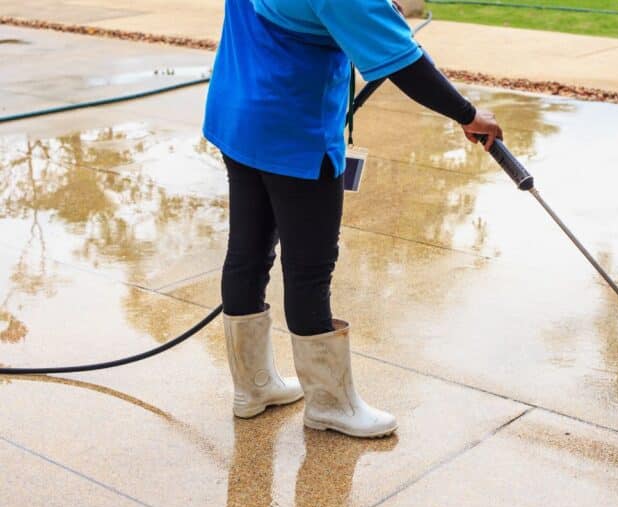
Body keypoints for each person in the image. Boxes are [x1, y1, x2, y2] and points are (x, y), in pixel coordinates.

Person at [203, 0, 503, 438]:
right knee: (309, 270)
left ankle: (253, 389)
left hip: (237, 115)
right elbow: (404, 61)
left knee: (247, 253)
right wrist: (468, 114)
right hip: (295, 134)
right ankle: (329, 405)